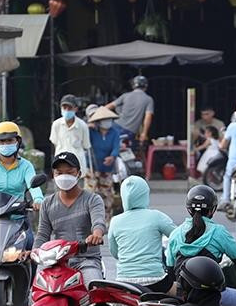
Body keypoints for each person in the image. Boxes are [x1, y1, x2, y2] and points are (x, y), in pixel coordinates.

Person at [37, 150, 108, 279]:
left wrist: (96, 234)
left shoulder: (92, 199)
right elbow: (42, 234)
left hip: (87, 261)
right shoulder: (47, 203)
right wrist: (33, 252)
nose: (64, 176)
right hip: (56, 262)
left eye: (69, 173)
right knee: (39, 290)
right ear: (53, 175)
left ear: (79, 174)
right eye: (59, 173)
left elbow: (98, 222)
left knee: (94, 288)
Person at [107, 176, 176, 293]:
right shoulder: (156, 216)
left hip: (124, 282)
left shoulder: (115, 221)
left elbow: (115, 253)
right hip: (156, 281)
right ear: (145, 195)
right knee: (179, 292)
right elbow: (177, 236)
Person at [86, 105, 126, 213]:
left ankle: (107, 219)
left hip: (107, 168)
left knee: (107, 194)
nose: (107, 122)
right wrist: (87, 128)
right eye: (104, 120)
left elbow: (116, 147)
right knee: (90, 194)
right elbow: (84, 142)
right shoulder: (91, 132)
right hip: (92, 167)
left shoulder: (114, 132)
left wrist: (112, 156)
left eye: (109, 119)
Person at [107, 75, 155, 150]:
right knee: (125, 152)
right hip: (129, 131)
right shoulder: (148, 99)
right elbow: (148, 117)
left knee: (111, 149)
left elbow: (109, 106)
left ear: (133, 86)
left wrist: (96, 114)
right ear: (146, 86)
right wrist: (144, 133)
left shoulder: (125, 96)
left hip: (115, 126)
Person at [48, 96, 92, 175]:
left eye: (70, 108)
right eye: (64, 107)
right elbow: (54, 143)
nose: (67, 110)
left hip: (78, 165)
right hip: (60, 163)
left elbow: (86, 145)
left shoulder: (82, 125)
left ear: (76, 109)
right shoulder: (56, 124)